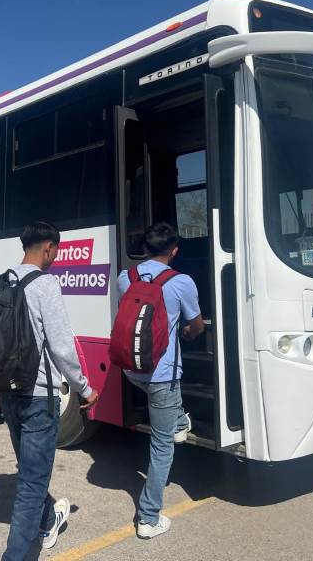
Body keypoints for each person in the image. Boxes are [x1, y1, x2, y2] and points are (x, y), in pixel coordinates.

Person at [0, 221, 100, 560]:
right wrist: (84, 388)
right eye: (56, 252)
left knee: (31, 471)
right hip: (38, 398)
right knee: (31, 485)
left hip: (7, 394)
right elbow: (62, 347)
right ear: (48, 248)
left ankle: (49, 520)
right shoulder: (46, 285)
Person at [116, 222, 204, 539]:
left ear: (144, 247)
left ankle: (180, 420)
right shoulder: (182, 282)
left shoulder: (125, 278)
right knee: (162, 445)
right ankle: (149, 518)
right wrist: (185, 332)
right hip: (162, 374)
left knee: (171, 414)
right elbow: (195, 326)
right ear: (174, 251)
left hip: (130, 369)